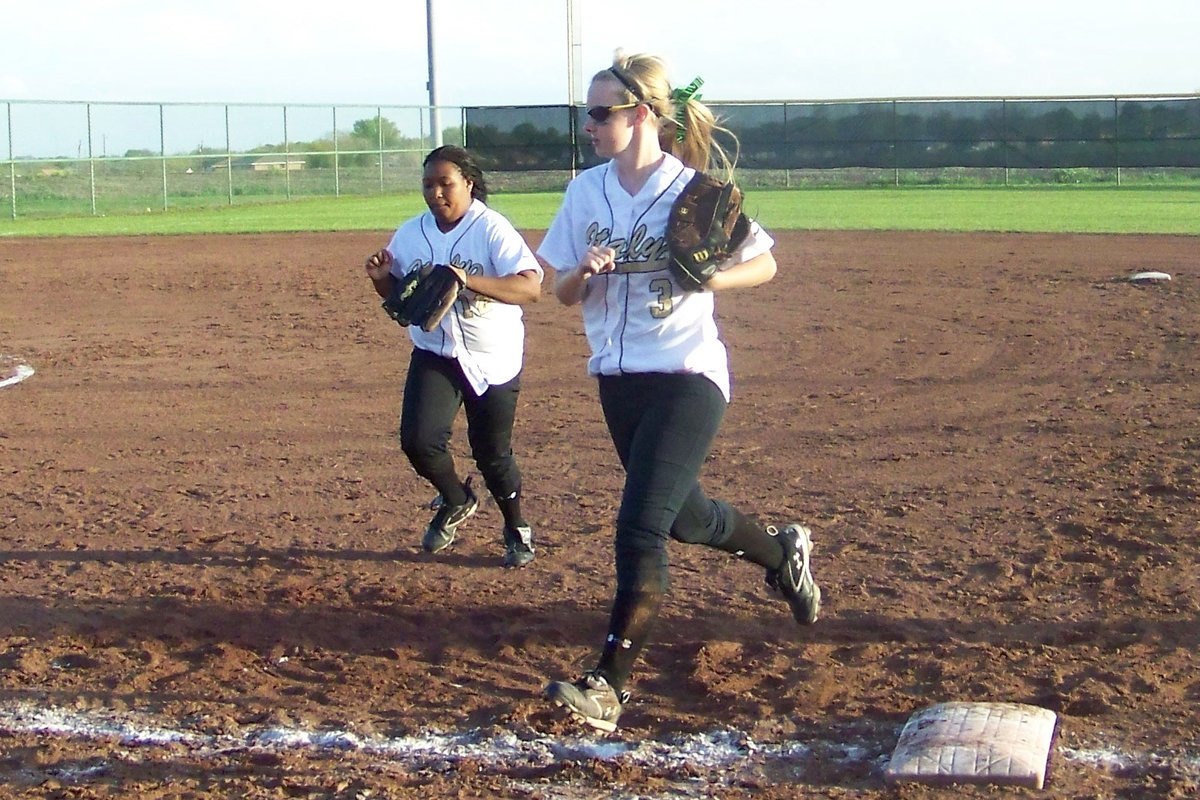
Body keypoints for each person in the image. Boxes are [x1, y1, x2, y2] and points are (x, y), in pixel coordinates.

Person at [535, 51, 822, 731]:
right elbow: (560, 292)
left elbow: (764, 263)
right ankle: (781, 553)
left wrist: (712, 278)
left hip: (687, 375)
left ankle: (608, 686)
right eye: (586, 113)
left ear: (640, 115)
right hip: (618, 380)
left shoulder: (693, 191)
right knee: (685, 519)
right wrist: (582, 272)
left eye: (599, 113)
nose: (588, 125)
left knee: (640, 527)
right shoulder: (585, 193)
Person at [365, 145, 543, 568]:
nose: (436, 193)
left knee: (492, 453)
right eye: (428, 184)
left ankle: (516, 528)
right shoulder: (412, 233)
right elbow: (403, 302)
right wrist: (381, 279)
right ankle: (456, 498)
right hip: (436, 353)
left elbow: (530, 287)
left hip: (492, 356)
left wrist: (468, 280)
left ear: (469, 183)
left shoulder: (491, 228)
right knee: (418, 442)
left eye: (445, 183)